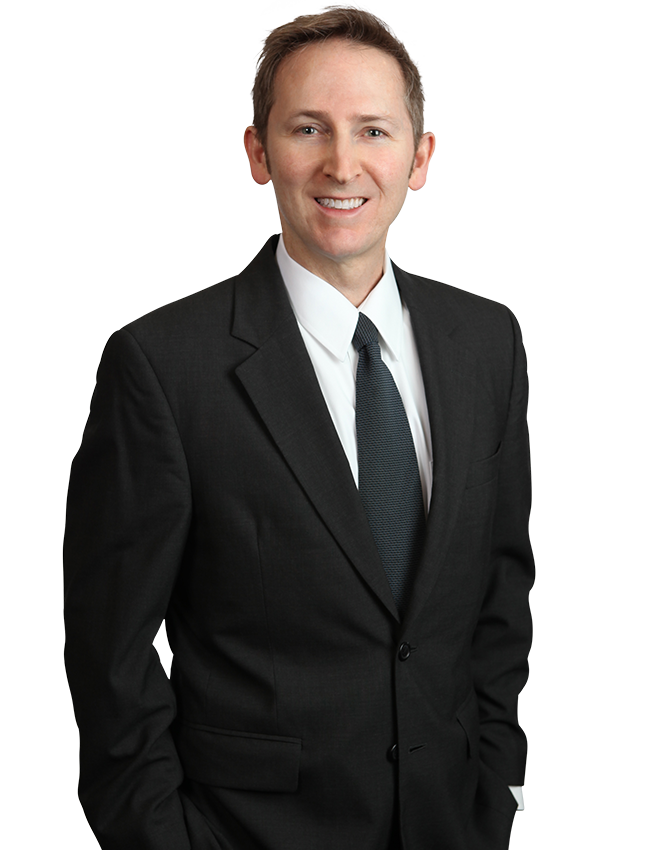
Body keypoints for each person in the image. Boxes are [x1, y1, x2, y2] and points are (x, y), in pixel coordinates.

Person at [63, 6, 534, 850]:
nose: (342, 164)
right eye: (307, 128)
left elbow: (500, 591)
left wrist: (493, 791)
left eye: (374, 131)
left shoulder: (486, 343)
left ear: (419, 157)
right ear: (258, 152)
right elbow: (111, 651)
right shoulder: (163, 366)